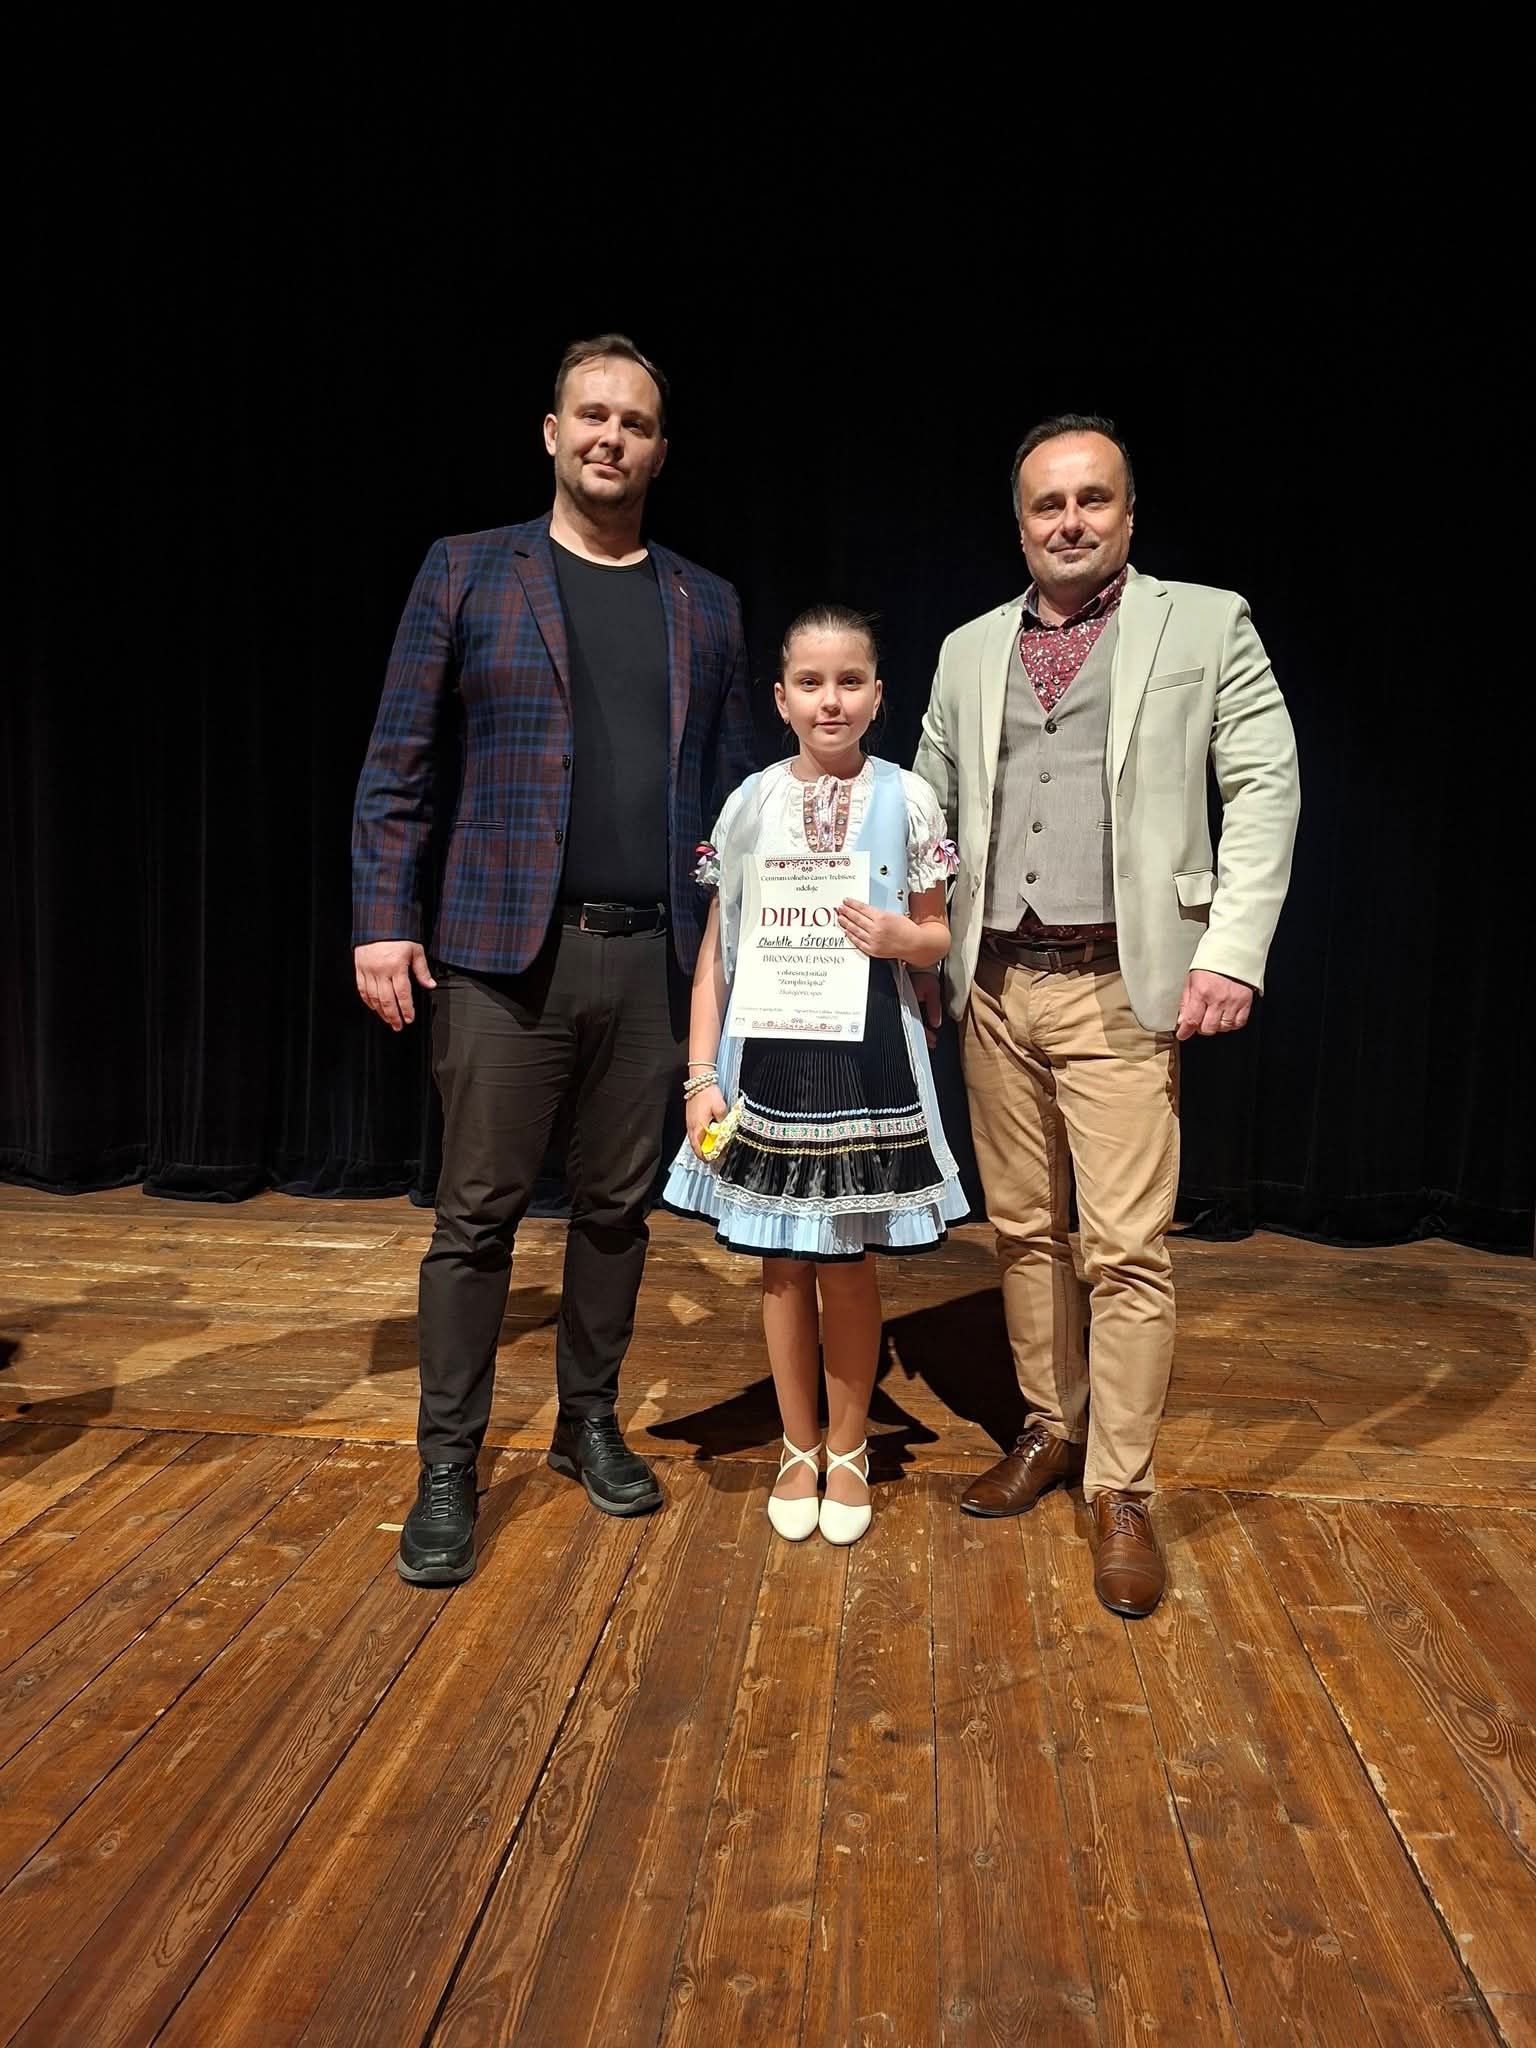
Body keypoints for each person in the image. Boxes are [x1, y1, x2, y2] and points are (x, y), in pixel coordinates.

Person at [352, 333, 755, 1585]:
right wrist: (381, 915)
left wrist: (747, 948)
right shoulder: (469, 568)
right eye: (592, 415)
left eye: (634, 422)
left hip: (651, 960)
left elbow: (734, 799)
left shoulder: (706, 601)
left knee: (619, 1211)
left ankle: (588, 1420)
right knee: (474, 1217)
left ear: (660, 450)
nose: (610, 437)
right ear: (551, 431)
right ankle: (448, 1464)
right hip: (500, 959)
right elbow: (398, 762)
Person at [913, 413, 1299, 1616]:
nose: (1070, 520)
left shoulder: (1207, 621)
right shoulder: (969, 648)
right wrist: (908, 940)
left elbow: (1265, 784)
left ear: (1130, 513)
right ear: (1019, 522)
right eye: (1049, 503)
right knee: (1024, 1230)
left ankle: (1121, 1486)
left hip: (1119, 984)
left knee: (1126, 1247)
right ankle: (1050, 1424)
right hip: (993, 981)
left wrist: (1230, 951)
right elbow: (927, 806)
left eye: (1093, 499)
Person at [665, 605, 968, 1545]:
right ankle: (797, 1445)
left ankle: (849, 1445)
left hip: (868, 1056)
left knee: (848, 1262)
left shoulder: (907, 798)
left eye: (848, 682)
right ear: (781, 699)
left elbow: (939, 933)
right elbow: (719, 949)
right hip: (769, 1056)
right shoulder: (751, 803)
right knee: (781, 1263)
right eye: (810, 683)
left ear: (877, 696)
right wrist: (700, 1075)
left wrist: (904, 937)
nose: (829, 700)